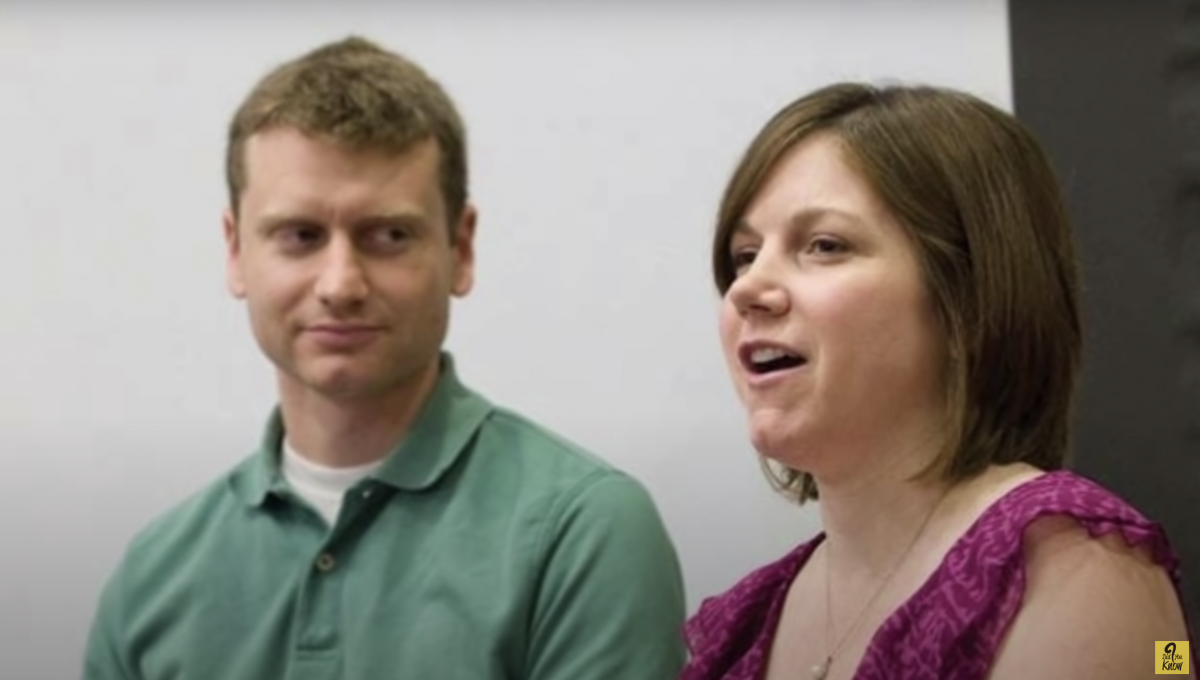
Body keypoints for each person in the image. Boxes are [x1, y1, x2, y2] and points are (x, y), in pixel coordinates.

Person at [81, 36, 687, 680]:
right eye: (300, 236)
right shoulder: (151, 580)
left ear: (461, 248)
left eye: (389, 235)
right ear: (236, 252)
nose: (340, 283)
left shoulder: (583, 533)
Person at [679, 82, 1196, 680]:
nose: (746, 289)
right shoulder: (747, 619)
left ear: (967, 297)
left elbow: (1169, 665)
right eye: (744, 255)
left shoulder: (1084, 569)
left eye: (824, 245)